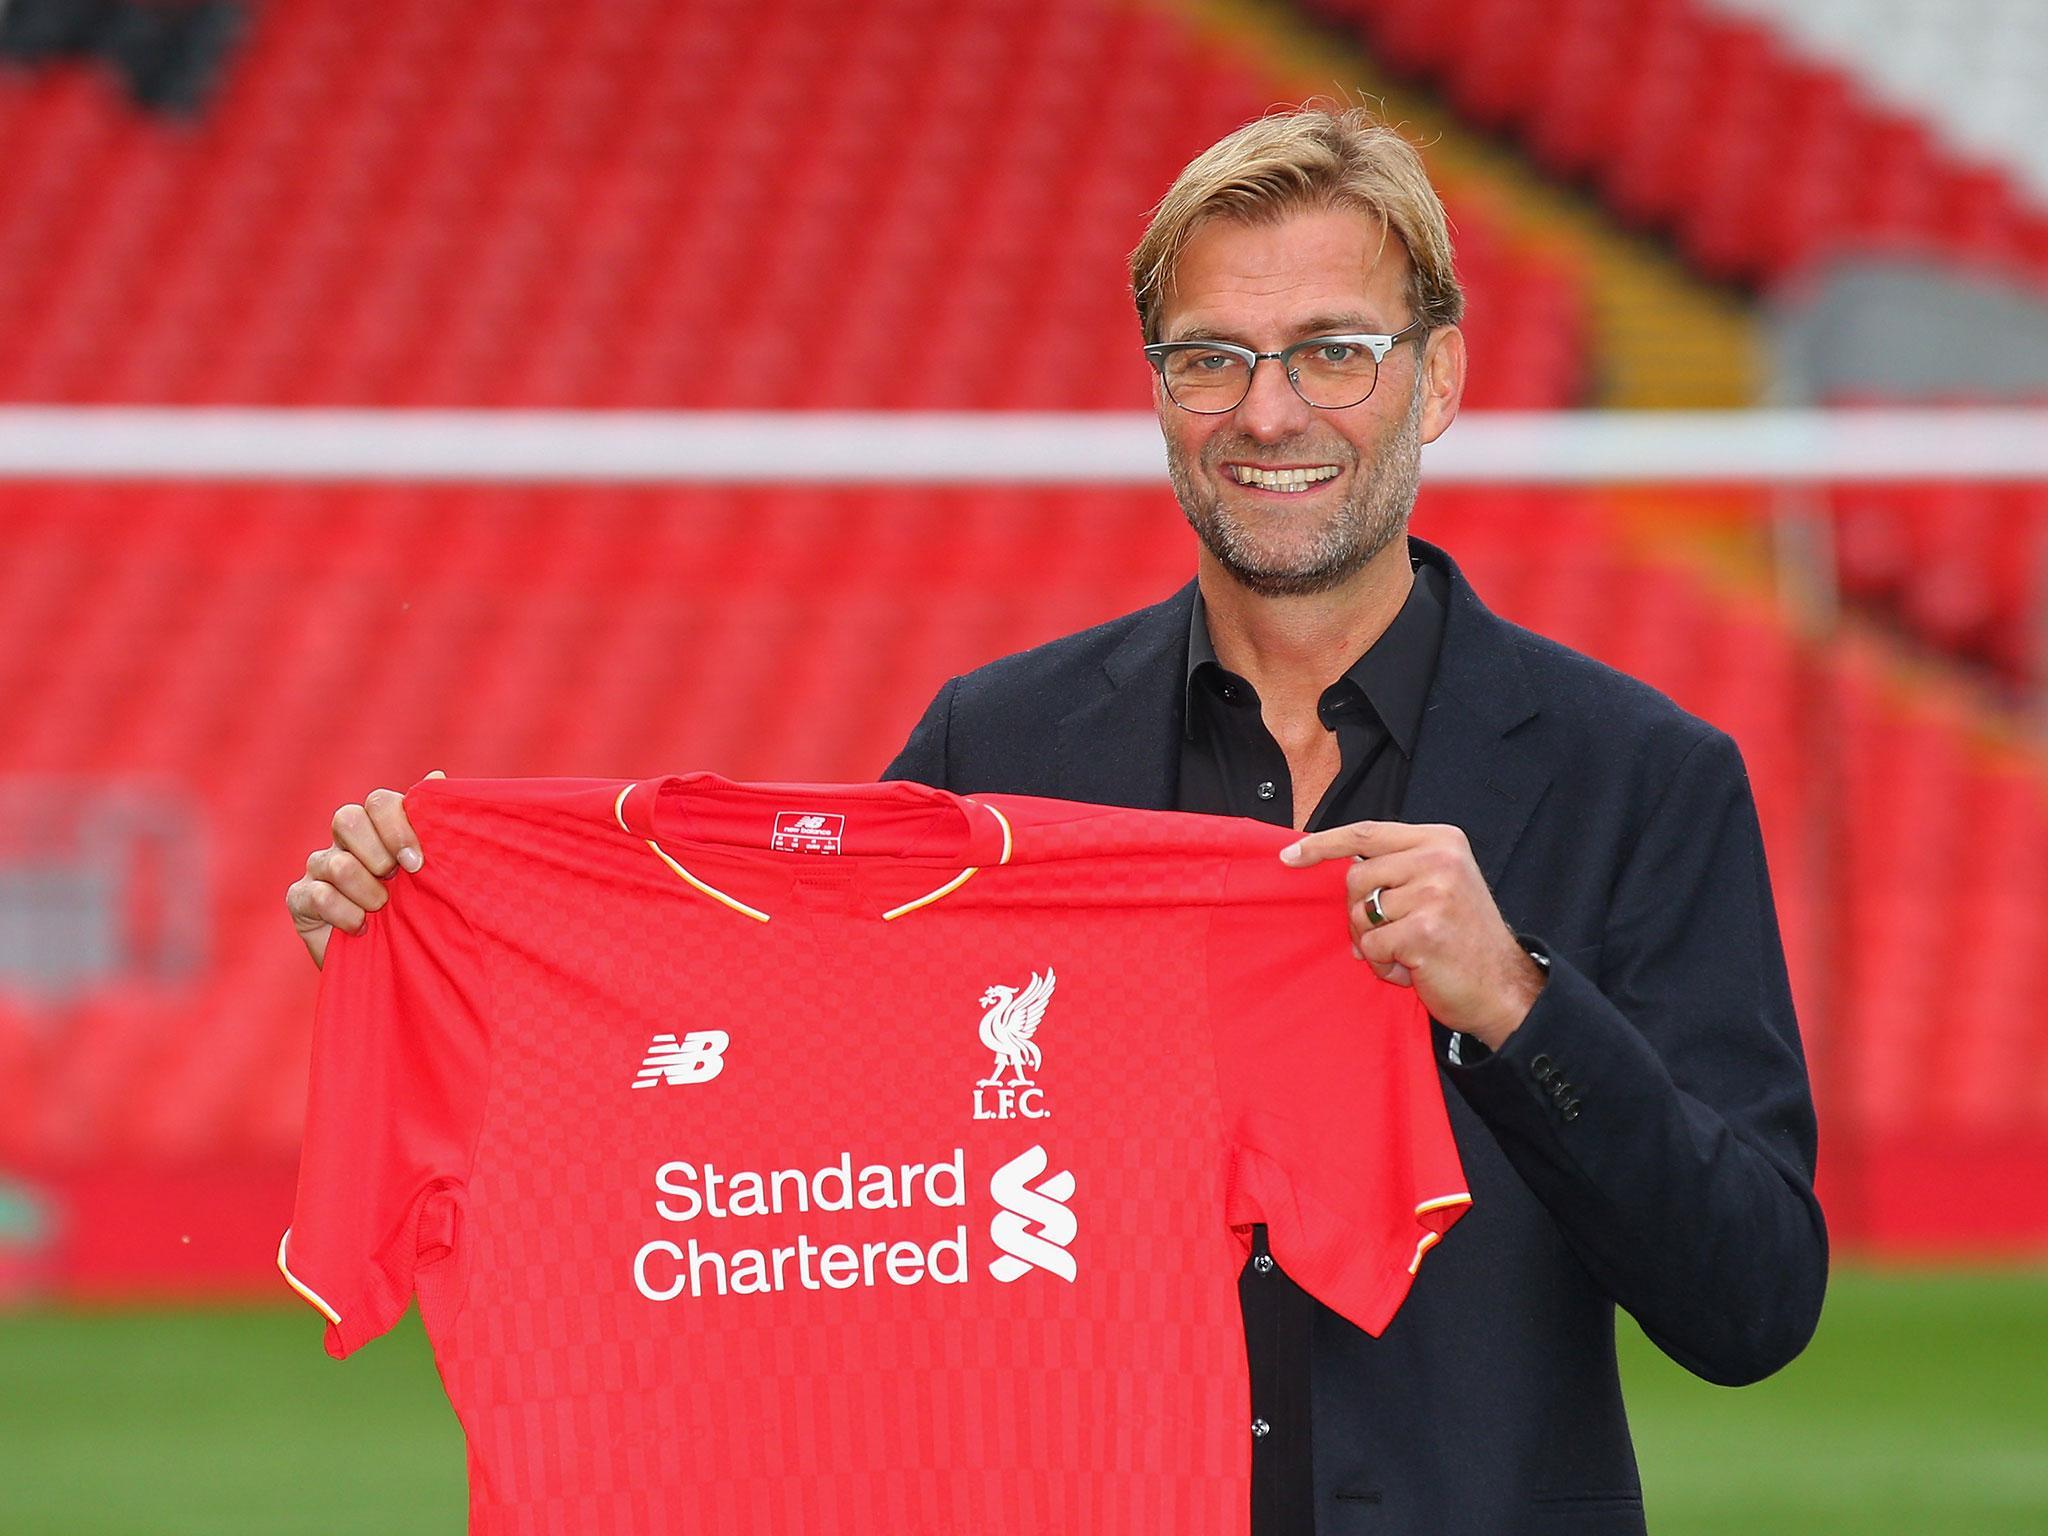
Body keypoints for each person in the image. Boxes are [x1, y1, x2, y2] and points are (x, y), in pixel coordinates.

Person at [287, 107, 1825, 1536]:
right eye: (1208, 358)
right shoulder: (998, 750)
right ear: (1157, 390)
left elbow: (1752, 1304)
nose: (1267, 411)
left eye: (1333, 352)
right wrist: (449, 961)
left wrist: (1514, 1004)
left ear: (1438, 379)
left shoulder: (1642, 775)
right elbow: (789, 1136)